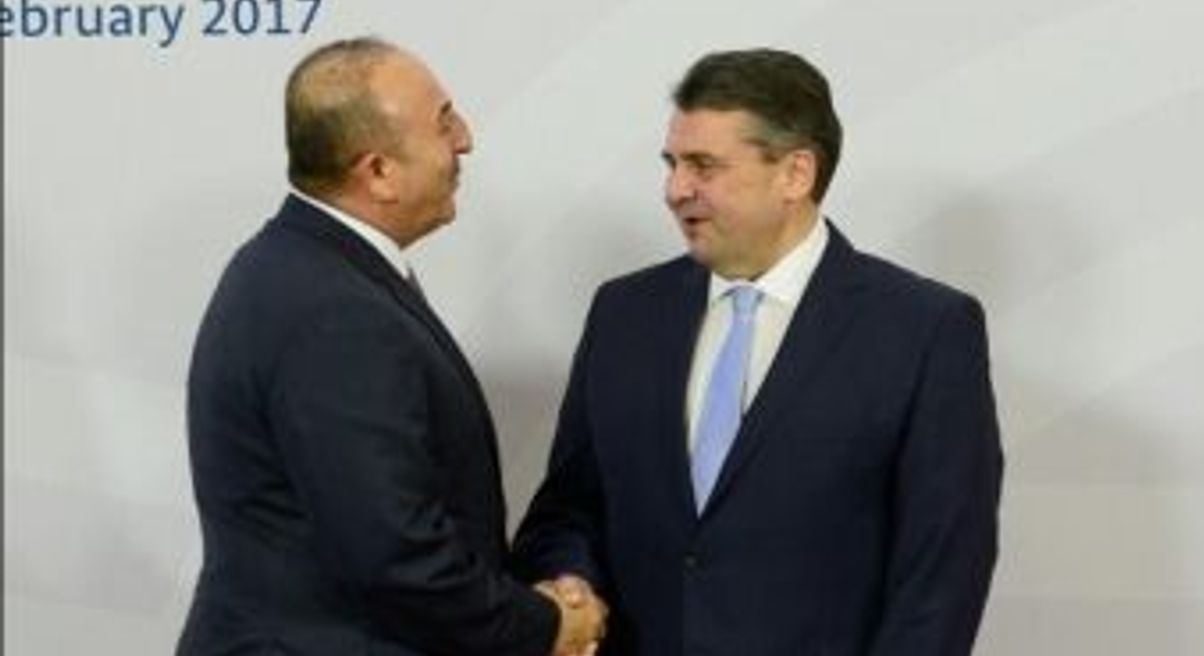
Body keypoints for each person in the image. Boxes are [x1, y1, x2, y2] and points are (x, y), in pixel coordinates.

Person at [513, 48, 1003, 655]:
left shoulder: (923, 329)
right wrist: (571, 587)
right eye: (671, 164)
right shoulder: (625, 313)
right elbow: (568, 510)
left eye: (703, 166)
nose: (674, 189)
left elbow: (942, 574)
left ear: (795, 173)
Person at [178, 37, 605, 656]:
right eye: (443, 122)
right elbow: (396, 556)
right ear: (377, 171)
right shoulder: (333, 310)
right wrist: (545, 627)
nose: (465, 139)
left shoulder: (300, 268)